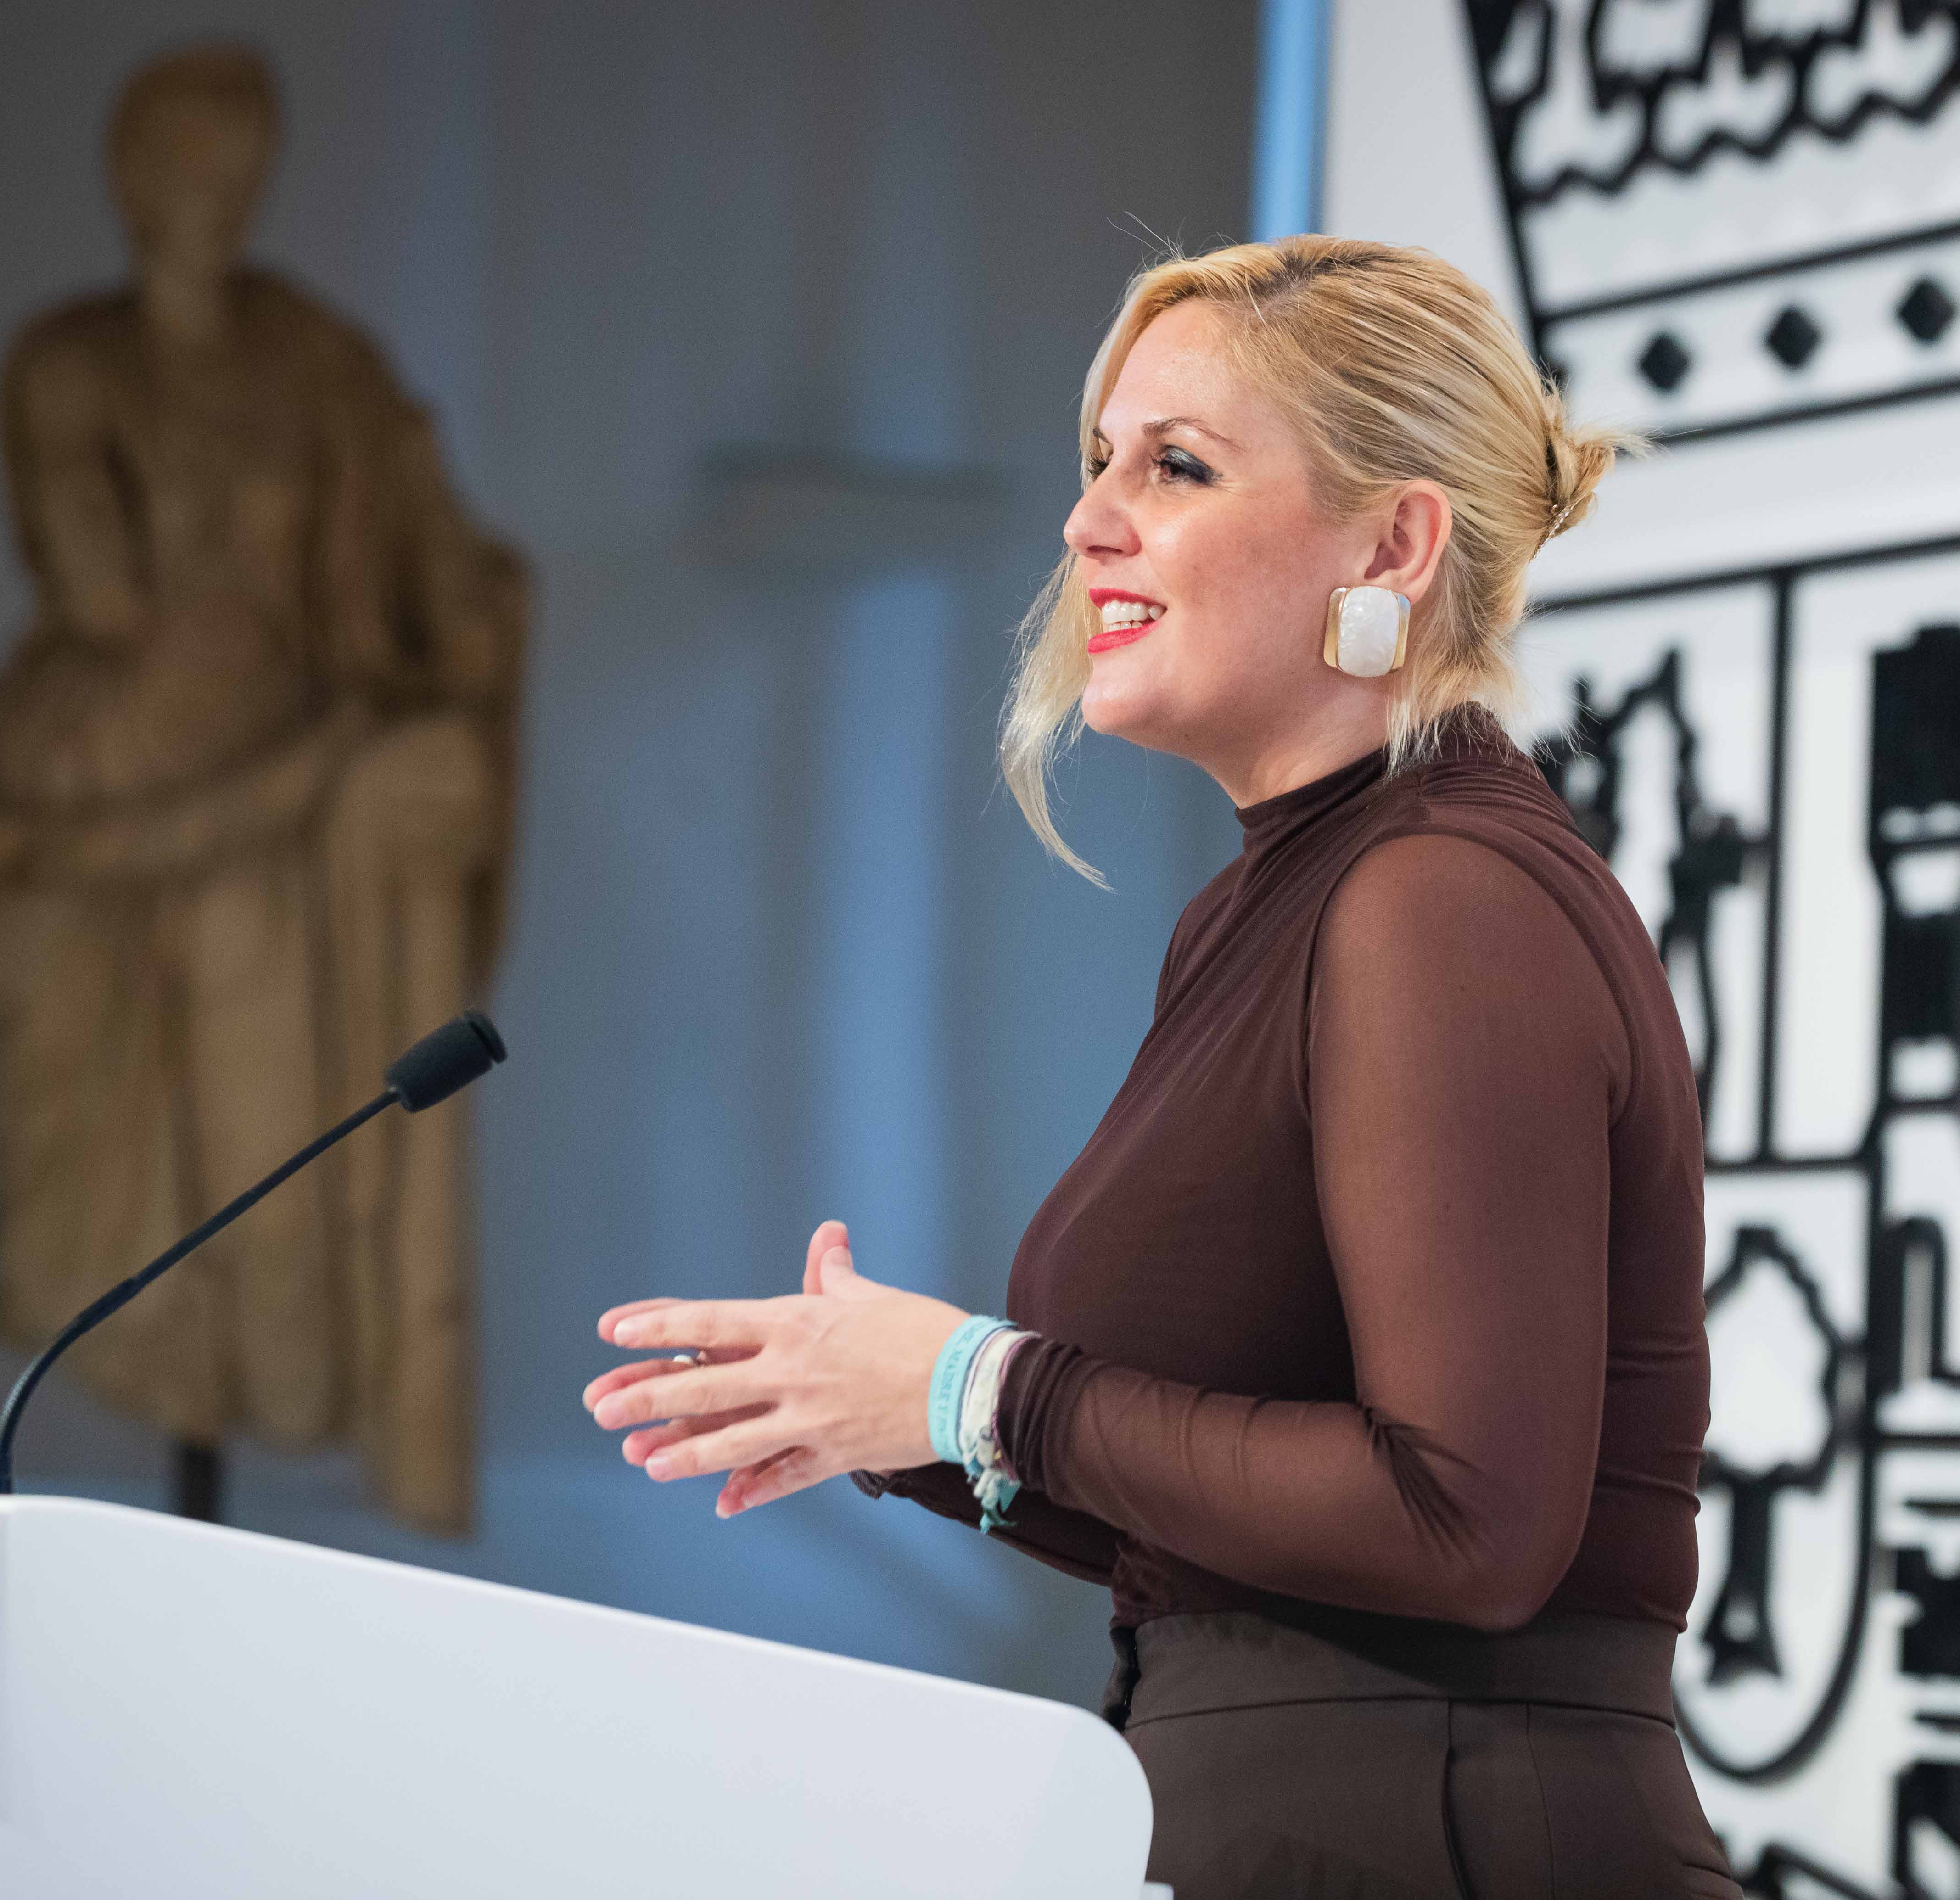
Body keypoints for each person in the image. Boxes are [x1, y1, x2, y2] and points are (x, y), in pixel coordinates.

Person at [583, 236, 1738, 1898]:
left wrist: (978, 1385)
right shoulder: (1281, 905)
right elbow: (1240, 1553)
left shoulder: (1439, 899)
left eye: (1176, 465)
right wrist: (901, 1415)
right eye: (1098, 460)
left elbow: (1465, 1524)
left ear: (1397, 541)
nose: (1089, 519)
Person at [0, 44, 524, 1533]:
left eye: (235, 168)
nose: (211, 198)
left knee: (273, 1138)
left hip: (287, 804)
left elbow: (436, 554)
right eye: (182, 167)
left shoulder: (312, 358)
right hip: (137, 763)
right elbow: (99, 586)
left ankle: (255, 1376)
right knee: (113, 1198)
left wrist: (453, 641)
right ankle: (164, 1364)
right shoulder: (71, 363)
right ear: (133, 179)